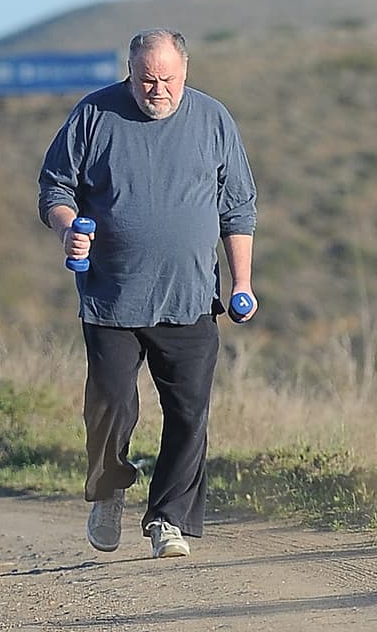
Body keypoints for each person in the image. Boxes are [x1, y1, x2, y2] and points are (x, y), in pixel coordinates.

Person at [37, 28, 257, 559]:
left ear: (186, 71)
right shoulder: (94, 114)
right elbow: (54, 188)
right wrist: (68, 226)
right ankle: (109, 491)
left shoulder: (213, 119)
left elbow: (238, 208)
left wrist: (242, 282)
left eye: (168, 80)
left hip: (190, 298)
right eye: (146, 80)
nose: (157, 90)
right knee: (110, 407)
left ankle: (168, 519)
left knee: (188, 413)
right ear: (129, 72)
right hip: (112, 297)